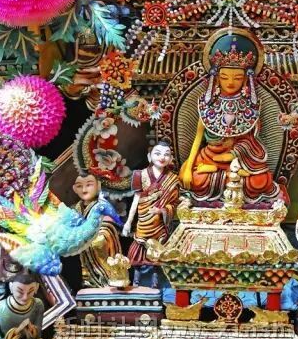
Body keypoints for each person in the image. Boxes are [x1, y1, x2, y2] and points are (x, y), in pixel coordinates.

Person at [179, 30, 286, 207]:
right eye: (224, 77)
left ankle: (226, 177)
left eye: (237, 78)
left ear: (245, 80)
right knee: (195, 179)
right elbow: (198, 138)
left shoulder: (250, 105)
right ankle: (221, 176)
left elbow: (252, 141)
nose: (230, 82)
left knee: (261, 180)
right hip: (210, 157)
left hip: (239, 161)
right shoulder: (207, 103)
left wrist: (233, 154)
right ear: (216, 77)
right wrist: (189, 167)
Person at [123, 142, 179, 288]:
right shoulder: (140, 175)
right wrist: (128, 222)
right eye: (158, 153)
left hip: (159, 224)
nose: (162, 157)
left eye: (166, 154)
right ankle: (135, 281)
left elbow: (174, 204)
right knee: (138, 250)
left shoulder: (172, 179)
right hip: (143, 220)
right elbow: (136, 200)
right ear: (149, 157)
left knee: (156, 253)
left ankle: (155, 281)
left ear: (170, 159)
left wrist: (162, 211)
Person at [72, 172, 122, 288]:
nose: (84, 190)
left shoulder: (102, 205)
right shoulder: (75, 208)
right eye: (79, 186)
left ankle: (109, 277)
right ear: (74, 189)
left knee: (99, 242)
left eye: (89, 185)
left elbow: (112, 222)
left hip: (100, 244)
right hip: (83, 248)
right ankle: (89, 280)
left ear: (98, 186)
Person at [0, 273, 45, 339]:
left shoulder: (38, 305)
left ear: (36, 287)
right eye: (20, 292)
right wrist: (14, 334)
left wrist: (32, 331)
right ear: (11, 287)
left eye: (30, 292)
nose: (25, 297)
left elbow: (38, 336)